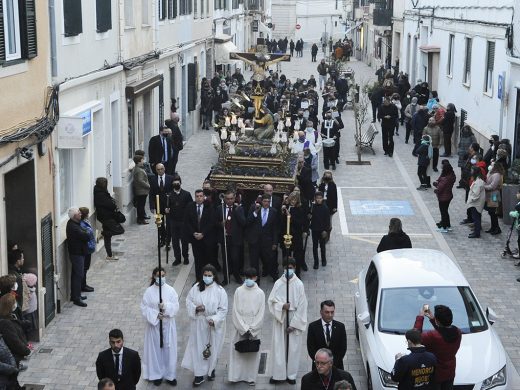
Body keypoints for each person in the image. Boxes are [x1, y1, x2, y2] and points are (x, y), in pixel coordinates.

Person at [182, 264, 228, 387]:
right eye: (205, 275)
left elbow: (223, 309)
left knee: (213, 348)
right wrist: (196, 308)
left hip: (213, 325)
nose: (207, 277)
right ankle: (199, 375)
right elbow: (188, 301)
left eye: (209, 275)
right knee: (198, 349)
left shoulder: (220, 290)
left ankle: (211, 369)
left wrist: (214, 319)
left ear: (214, 276)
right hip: (199, 323)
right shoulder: (196, 287)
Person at [268, 258, 308, 385]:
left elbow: (302, 306)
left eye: (290, 268)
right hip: (281, 319)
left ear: (295, 268)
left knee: (293, 348)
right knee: (279, 347)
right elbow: (271, 301)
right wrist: (281, 306)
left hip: (293, 317)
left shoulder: (299, 284)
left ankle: (291, 375)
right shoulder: (278, 283)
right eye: (286, 268)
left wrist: (294, 324)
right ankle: (277, 374)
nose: (288, 270)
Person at [141, 267, 179, 386]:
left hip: (168, 325)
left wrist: (166, 307)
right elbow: (144, 307)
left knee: (169, 350)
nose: (161, 278)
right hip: (155, 327)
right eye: (158, 275)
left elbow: (176, 306)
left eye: (163, 275)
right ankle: (156, 374)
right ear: (154, 277)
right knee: (155, 351)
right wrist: (156, 314)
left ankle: (170, 375)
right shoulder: (149, 291)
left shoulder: (171, 290)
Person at [228, 267, 265, 386]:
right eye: (246, 277)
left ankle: (250, 377)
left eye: (251, 278)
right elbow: (235, 311)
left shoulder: (260, 293)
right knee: (237, 352)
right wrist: (243, 328)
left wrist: (252, 328)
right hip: (240, 325)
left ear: (256, 278)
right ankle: (235, 376)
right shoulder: (239, 291)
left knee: (251, 355)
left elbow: (261, 312)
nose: (248, 280)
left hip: (254, 325)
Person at [414, 305, 461, 390]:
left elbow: (415, 337)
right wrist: (433, 320)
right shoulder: (457, 331)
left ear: (438, 321)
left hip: (434, 374)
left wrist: (420, 316)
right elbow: (444, 332)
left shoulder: (432, 336)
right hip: (450, 372)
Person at [246, 194, 280, 284]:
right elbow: (248, 222)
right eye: (265, 201)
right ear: (261, 201)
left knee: (270, 260)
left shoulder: (274, 211)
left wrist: (275, 243)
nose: (266, 203)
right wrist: (255, 212)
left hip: (267, 241)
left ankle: (275, 276)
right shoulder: (254, 208)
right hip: (255, 241)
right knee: (254, 262)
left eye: (268, 201)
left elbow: (275, 229)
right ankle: (256, 280)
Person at [185, 190, 217, 280]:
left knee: (207, 260)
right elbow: (187, 222)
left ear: (204, 197)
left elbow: (211, 222)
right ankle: (198, 279)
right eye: (197, 196)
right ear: (195, 197)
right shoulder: (190, 206)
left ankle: (208, 278)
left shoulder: (209, 207)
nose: (199, 198)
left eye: (201, 196)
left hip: (206, 238)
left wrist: (203, 233)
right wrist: (193, 233)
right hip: (195, 239)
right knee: (198, 261)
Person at [216, 189, 247, 285]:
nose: (229, 201)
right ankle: (226, 277)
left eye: (231, 199)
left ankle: (236, 275)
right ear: (224, 199)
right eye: (227, 199)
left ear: (234, 198)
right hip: (225, 238)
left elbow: (243, 223)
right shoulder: (219, 208)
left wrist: (236, 212)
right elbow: (214, 222)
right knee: (225, 259)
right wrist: (221, 224)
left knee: (235, 258)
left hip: (235, 239)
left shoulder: (239, 209)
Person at [307, 300, 347, 370]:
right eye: (327, 312)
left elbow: (343, 348)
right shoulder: (313, 327)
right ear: (321, 312)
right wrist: (321, 363)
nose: (330, 315)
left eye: (332, 312)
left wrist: (332, 364)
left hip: (336, 367)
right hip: (319, 367)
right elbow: (311, 348)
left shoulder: (340, 327)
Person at [0, 293, 30, 385]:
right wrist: (26, 350)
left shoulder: (11, 317)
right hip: (12, 357)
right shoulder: (5, 323)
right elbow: (14, 341)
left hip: (14, 357)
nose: (16, 304)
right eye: (14, 303)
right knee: (12, 381)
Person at [94, 177, 124, 261]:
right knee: (120, 230)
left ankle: (109, 255)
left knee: (108, 237)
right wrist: (113, 204)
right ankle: (104, 234)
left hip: (105, 216)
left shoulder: (100, 191)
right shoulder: (100, 194)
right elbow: (110, 205)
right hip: (106, 217)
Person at [165, 174, 193, 266]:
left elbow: (191, 207)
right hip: (173, 221)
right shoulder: (169, 195)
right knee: (175, 241)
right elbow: (166, 206)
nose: (176, 184)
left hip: (183, 221)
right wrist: (166, 210)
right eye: (174, 183)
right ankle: (177, 258)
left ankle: (185, 257)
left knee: (184, 241)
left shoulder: (186, 194)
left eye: (178, 183)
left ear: (180, 183)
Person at [66, 207, 90, 307]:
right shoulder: (74, 227)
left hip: (79, 252)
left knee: (76, 274)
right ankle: (76, 298)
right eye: (78, 213)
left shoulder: (75, 223)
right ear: (74, 216)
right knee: (78, 275)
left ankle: (76, 295)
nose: (80, 214)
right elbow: (87, 236)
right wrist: (87, 232)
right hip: (77, 254)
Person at [281, 192, 308, 275]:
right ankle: (286, 272)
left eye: (295, 199)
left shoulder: (299, 209)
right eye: (292, 199)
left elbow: (300, 222)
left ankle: (297, 272)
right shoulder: (286, 208)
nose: (293, 201)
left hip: (296, 235)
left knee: (297, 255)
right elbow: (281, 222)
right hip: (286, 235)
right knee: (286, 255)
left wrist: (290, 217)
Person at [149, 163, 174, 247]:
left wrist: (171, 205)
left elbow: (173, 192)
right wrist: (152, 206)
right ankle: (162, 239)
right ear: (156, 170)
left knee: (169, 223)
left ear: (164, 169)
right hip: (158, 205)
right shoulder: (153, 179)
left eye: (161, 169)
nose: (160, 171)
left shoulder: (170, 178)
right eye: (158, 169)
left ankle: (168, 241)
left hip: (168, 205)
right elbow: (151, 193)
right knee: (159, 223)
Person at [433, 161, 456, 232]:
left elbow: (440, 188)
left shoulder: (444, 178)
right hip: (448, 196)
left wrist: (436, 188)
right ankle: (447, 225)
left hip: (443, 197)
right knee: (445, 211)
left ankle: (444, 227)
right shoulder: (452, 176)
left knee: (443, 212)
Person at [311, 192, 331, 269]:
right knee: (314, 246)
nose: (319, 200)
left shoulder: (325, 208)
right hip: (314, 229)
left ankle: (323, 260)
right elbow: (310, 215)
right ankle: (316, 262)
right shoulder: (313, 206)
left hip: (322, 230)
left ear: (322, 198)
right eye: (317, 198)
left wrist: (325, 230)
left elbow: (327, 221)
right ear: (315, 199)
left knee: (322, 246)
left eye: (320, 198)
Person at [484, 163, 504, 235]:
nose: (490, 166)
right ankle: (493, 227)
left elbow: (493, 186)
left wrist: (484, 187)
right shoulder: (492, 172)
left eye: (492, 165)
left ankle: (496, 228)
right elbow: (487, 180)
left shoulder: (497, 175)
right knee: (491, 212)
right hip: (490, 194)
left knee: (493, 212)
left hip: (494, 195)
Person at [78, 207, 95, 293]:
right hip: (87, 248)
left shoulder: (85, 222)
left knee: (85, 268)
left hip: (89, 247)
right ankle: (83, 285)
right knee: (84, 268)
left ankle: (84, 284)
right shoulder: (82, 224)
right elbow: (88, 234)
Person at [466, 166, 486, 238]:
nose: (471, 171)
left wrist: (471, 200)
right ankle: (476, 231)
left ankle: (477, 233)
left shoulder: (478, 182)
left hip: (476, 203)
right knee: (477, 217)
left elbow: (476, 194)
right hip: (476, 203)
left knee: (476, 218)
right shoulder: (478, 180)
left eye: (472, 170)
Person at [132, 155, 150, 225]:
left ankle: (141, 218)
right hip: (141, 191)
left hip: (141, 190)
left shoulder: (138, 168)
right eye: (142, 160)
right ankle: (141, 219)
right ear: (139, 161)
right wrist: (148, 186)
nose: (143, 161)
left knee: (141, 205)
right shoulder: (139, 170)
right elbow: (140, 180)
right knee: (141, 206)